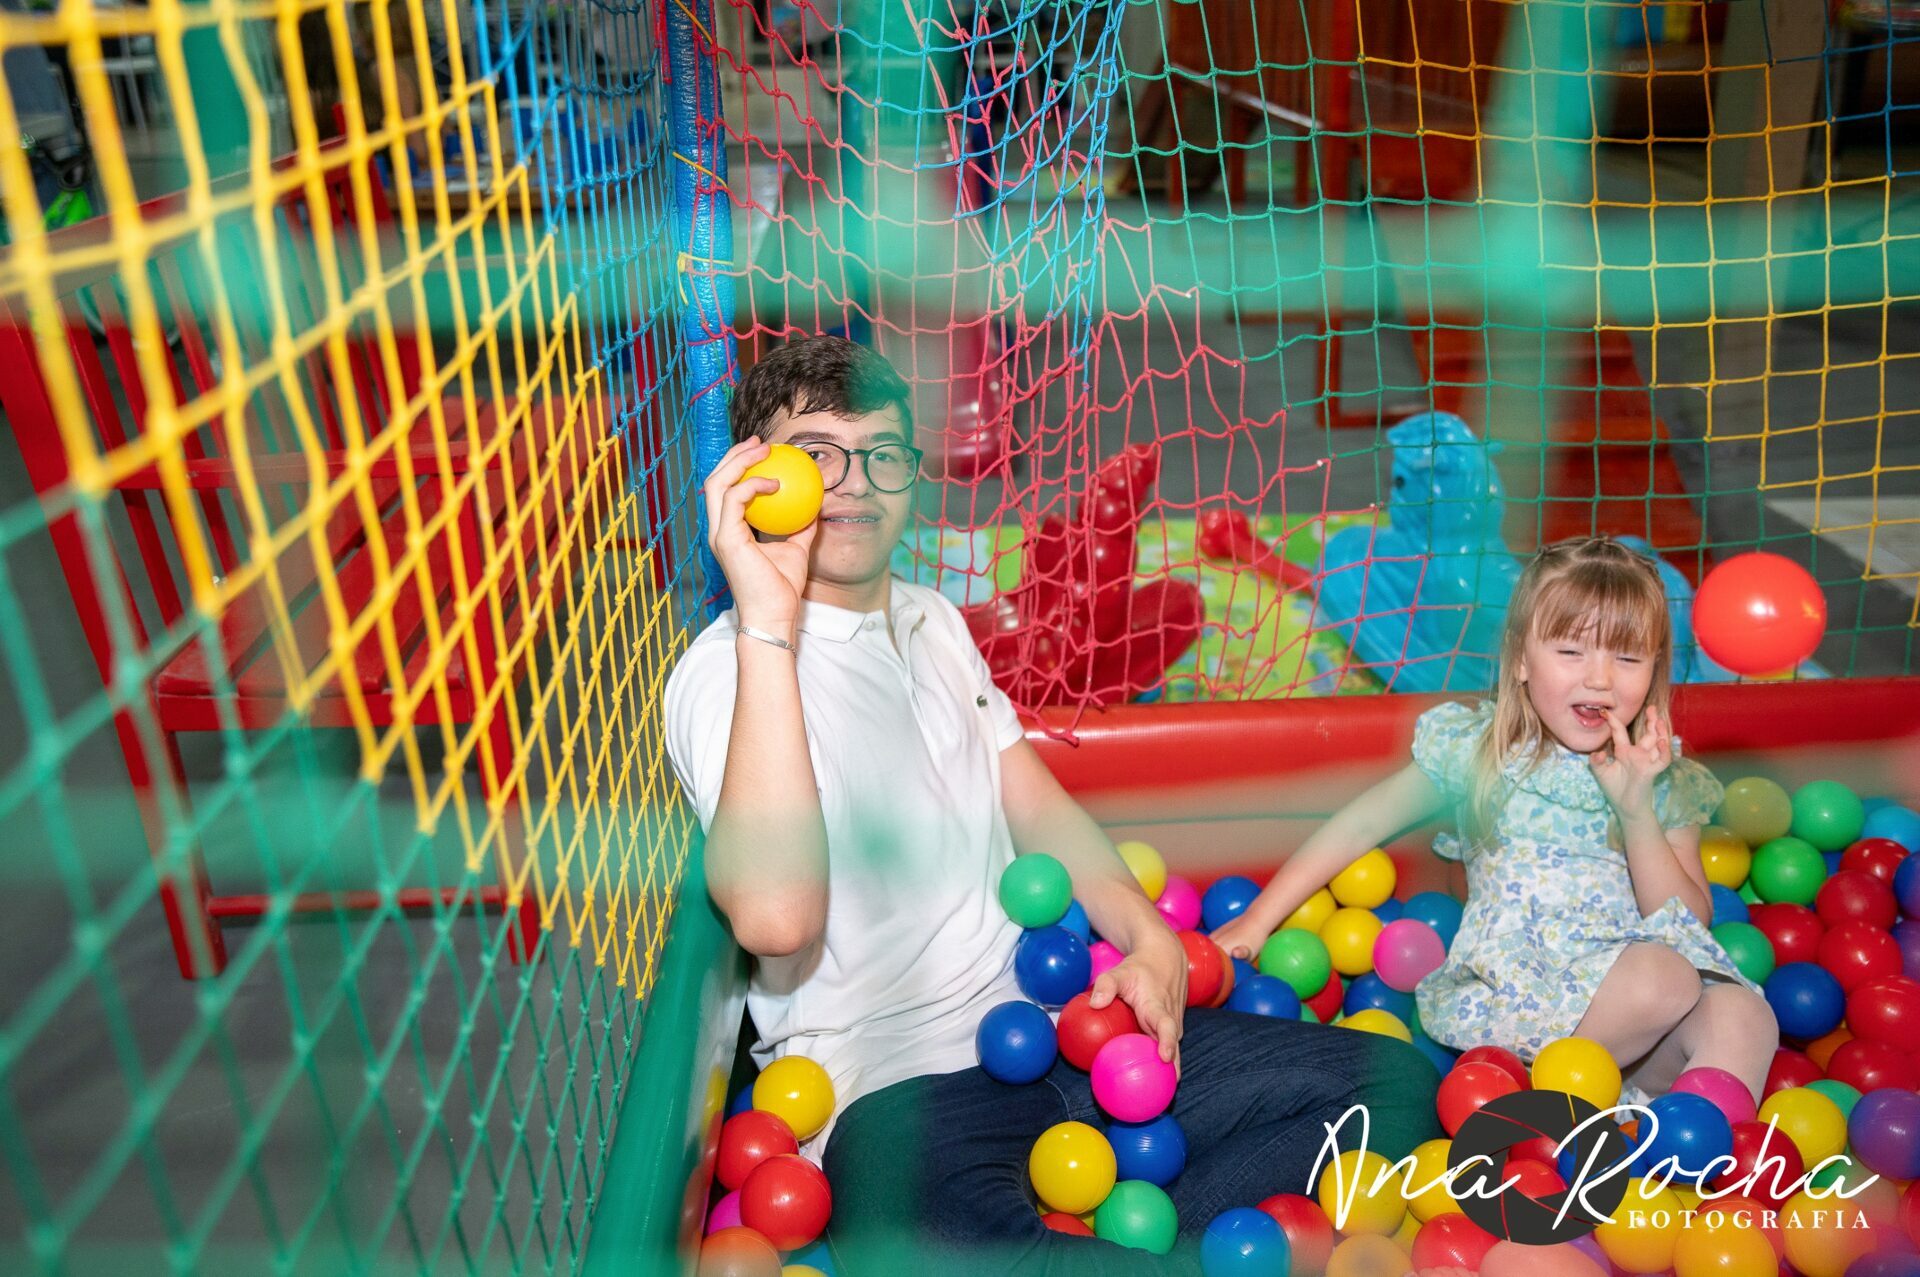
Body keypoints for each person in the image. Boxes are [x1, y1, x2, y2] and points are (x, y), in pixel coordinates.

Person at [663, 336, 1439, 1275]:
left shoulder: (929, 619)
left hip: (1065, 1031)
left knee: (1400, 1088)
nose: (855, 483)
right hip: (894, 1094)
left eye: (882, 453)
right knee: (926, 1244)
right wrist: (766, 618)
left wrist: (1149, 936)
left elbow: (1038, 805)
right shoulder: (728, 673)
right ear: (757, 477)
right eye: (819, 455)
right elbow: (777, 919)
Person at [1213, 537, 1780, 1105]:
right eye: (1571, 651)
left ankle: (1682, 1153)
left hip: (1638, 1027)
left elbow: (1687, 920)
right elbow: (1359, 825)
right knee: (1665, 979)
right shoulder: (1480, 753)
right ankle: (1525, 1109)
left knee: (1745, 1015)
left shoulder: (1662, 777)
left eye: (1628, 658)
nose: (1601, 678)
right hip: (1524, 1002)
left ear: (1654, 669)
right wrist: (1258, 920)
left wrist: (1637, 810)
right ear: (1521, 660)